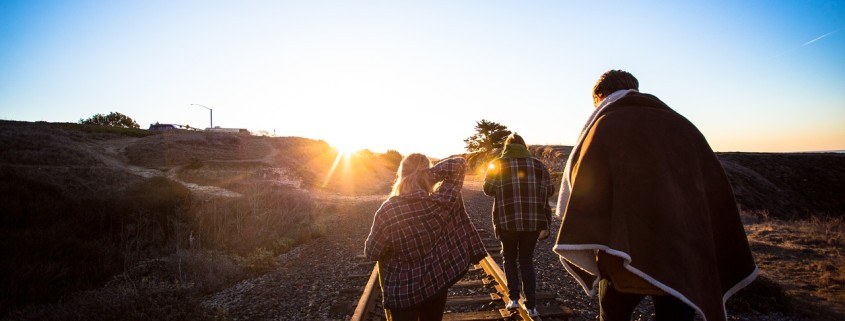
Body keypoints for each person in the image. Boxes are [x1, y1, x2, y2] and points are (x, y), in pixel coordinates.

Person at [552, 70, 758, 321]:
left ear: (600, 96)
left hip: (623, 255)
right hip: (682, 256)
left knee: (612, 315)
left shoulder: (605, 126)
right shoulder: (682, 125)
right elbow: (711, 188)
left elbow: (585, 186)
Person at [365, 154, 487, 321]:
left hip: (403, 294)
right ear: (427, 174)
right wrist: (426, 174)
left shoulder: (388, 210)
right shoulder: (441, 202)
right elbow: (459, 164)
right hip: (435, 285)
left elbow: (372, 252)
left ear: (401, 174)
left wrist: (415, 174)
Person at [483, 133, 555, 317]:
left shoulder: (498, 164)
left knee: (509, 257)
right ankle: (531, 305)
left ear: (507, 147)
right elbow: (550, 190)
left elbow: (488, 190)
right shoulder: (538, 165)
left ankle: (514, 299)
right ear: (524, 146)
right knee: (526, 260)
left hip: (507, 220)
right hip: (532, 222)